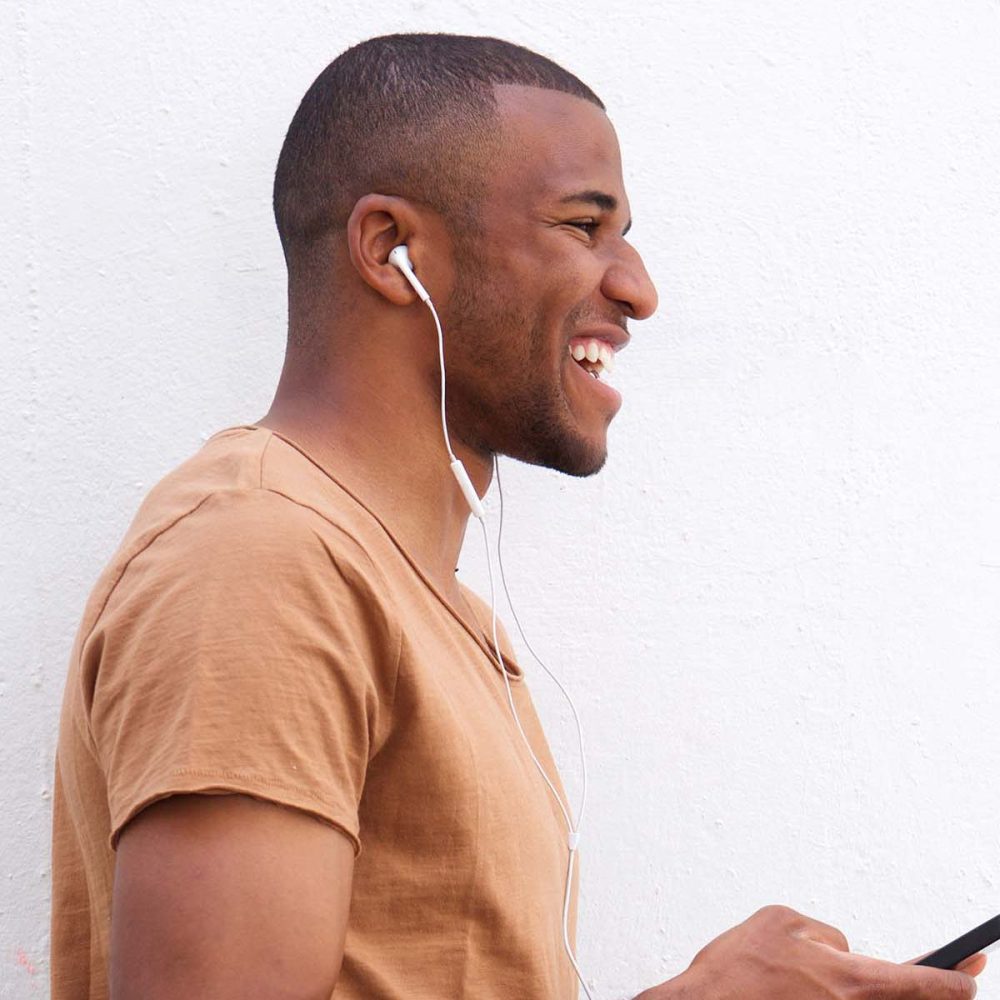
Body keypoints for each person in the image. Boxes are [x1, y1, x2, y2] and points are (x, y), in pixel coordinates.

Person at [49, 32, 986, 1000]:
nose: (637, 288)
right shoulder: (262, 557)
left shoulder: (400, 590)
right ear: (391, 250)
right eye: (583, 226)